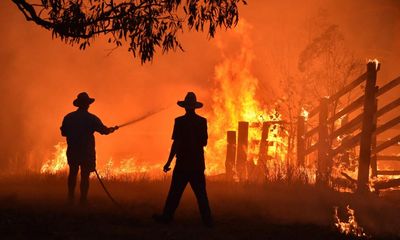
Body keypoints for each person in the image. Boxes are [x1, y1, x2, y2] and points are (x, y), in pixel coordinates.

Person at [153, 92, 213, 227]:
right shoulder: (202, 122)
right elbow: (204, 142)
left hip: (182, 164)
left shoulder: (179, 121)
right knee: (201, 194)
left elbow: (175, 143)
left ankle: (166, 217)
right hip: (197, 164)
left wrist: (168, 162)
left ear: (185, 107)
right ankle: (208, 221)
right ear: (194, 107)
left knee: (174, 193)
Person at [60, 92, 118, 205]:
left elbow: (63, 133)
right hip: (86, 152)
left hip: (73, 150)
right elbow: (104, 131)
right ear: (87, 105)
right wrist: (112, 129)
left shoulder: (69, 117)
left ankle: (70, 197)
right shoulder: (92, 119)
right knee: (85, 176)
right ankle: (83, 199)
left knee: (72, 173)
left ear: (78, 104)